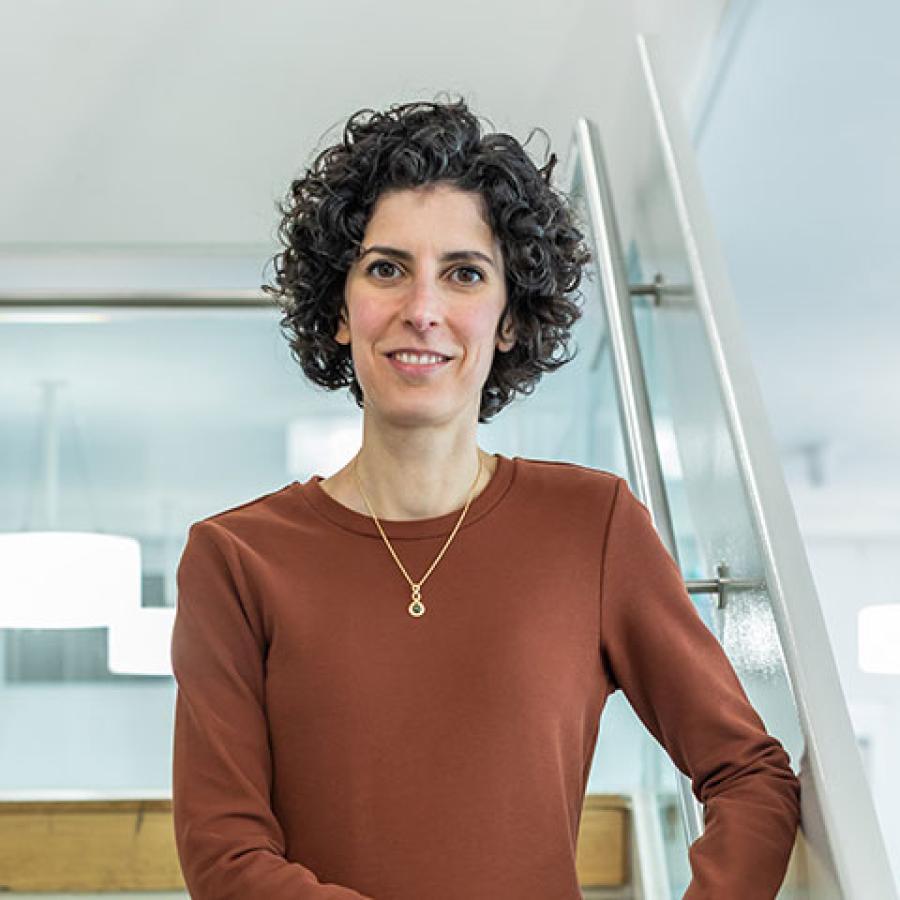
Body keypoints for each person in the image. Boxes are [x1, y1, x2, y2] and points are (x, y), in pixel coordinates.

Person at [170, 96, 801, 899]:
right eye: (386, 268)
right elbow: (226, 859)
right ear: (339, 307)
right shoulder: (235, 558)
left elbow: (749, 773)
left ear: (509, 319)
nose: (422, 310)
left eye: (464, 274)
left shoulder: (591, 526)